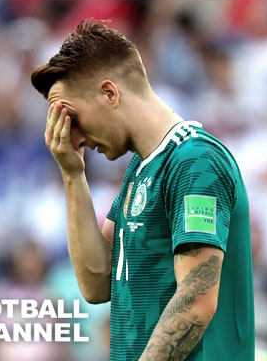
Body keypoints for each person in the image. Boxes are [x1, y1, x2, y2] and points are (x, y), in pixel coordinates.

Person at [30, 19, 254, 360]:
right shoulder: (141, 167)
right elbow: (96, 283)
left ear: (109, 93)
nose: (75, 137)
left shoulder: (195, 161)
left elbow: (196, 300)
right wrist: (73, 174)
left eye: (73, 118)